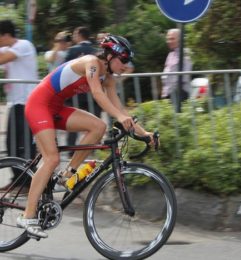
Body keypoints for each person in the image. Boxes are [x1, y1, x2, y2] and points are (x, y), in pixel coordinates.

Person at [18, 34, 157, 238]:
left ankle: (67, 175)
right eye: (124, 60)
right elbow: (97, 94)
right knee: (51, 158)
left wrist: (144, 133)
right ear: (110, 56)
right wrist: (118, 116)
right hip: (39, 105)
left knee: (98, 127)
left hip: (56, 108)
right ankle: (28, 216)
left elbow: (120, 109)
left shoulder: (108, 78)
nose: (126, 66)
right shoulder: (91, 63)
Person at [0, 20, 37, 192]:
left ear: (6, 35)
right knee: (11, 144)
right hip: (16, 103)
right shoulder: (7, 48)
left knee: (25, 145)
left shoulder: (24, 45)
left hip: (29, 102)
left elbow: (4, 58)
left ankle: (28, 181)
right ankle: (17, 180)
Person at [65, 26, 101, 151]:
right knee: (95, 121)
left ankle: (71, 150)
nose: (73, 36)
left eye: (75, 33)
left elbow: (64, 68)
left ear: (80, 35)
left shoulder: (72, 51)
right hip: (92, 92)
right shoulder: (95, 50)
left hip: (76, 94)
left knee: (74, 122)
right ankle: (93, 148)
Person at [161, 28, 193, 102]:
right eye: (168, 39)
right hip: (168, 94)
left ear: (180, 39)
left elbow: (185, 75)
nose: (169, 41)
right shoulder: (170, 54)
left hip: (180, 93)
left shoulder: (186, 53)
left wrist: (173, 88)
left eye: (172, 39)